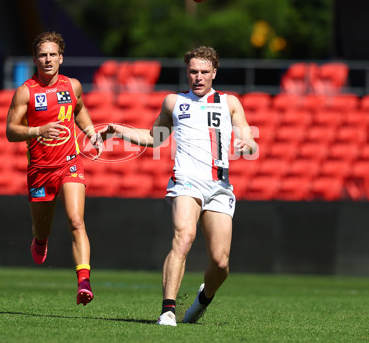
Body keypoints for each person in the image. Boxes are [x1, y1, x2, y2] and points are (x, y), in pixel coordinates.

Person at [101, 46, 258, 326]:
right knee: (183, 237)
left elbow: (250, 140)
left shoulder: (229, 103)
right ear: (187, 72)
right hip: (186, 181)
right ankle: (168, 311)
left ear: (214, 73)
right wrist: (118, 130)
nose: (198, 77)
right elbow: (154, 138)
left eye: (204, 72)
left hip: (219, 187)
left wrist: (246, 145)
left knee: (221, 264)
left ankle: (204, 297)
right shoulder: (174, 102)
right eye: (193, 72)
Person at [6, 31, 102, 306]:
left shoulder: (72, 86)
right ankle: (39, 239)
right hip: (39, 169)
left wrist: (91, 132)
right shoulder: (25, 91)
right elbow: (11, 131)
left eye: (52, 55)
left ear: (61, 57)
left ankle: (83, 280)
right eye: (42, 55)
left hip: (69, 163)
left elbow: (79, 109)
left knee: (76, 220)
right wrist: (38, 130)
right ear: (35, 59)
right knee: (42, 228)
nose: (47, 59)